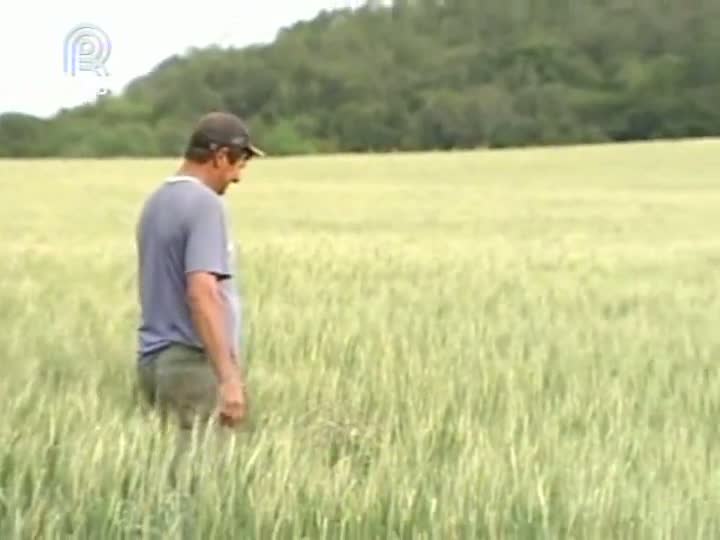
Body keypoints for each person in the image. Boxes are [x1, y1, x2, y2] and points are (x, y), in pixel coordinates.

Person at [134, 111, 265, 450]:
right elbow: (202, 292)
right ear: (220, 156)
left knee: (167, 478)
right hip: (191, 365)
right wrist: (229, 377)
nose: (237, 177)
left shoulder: (156, 202)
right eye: (238, 164)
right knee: (201, 486)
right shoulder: (205, 204)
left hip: (153, 362)